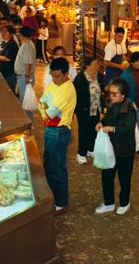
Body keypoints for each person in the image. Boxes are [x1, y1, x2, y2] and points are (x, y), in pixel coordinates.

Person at [39, 57, 77, 216]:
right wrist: (45, 112)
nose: (55, 79)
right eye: (53, 76)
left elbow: (48, 111)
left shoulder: (68, 89)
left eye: (58, 76)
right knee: (49, 166)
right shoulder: (54, 85)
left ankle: (61, 203)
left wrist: (45, 112)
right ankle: (53, 198)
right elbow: (41, 104)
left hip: (59, 132)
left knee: (58, 169)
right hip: (50, 130)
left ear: (67, 74)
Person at [95, 77, 136, 216]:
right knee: (107, 175)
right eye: (110, 93)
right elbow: (107, 118)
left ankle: (124, 203)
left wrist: (112, 129)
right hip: (111, 147)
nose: (111, 96)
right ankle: (109, 203)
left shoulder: (129, 108)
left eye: (114, 94)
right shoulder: (112, 105)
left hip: (125, 150)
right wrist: (101, 122)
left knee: (124, 178)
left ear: (123, 95)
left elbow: (128, 129)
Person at [73, 58, 103, 165]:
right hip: (84, 110)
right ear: (87, 66)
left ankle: (91, 149)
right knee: (83, 131)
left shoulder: (97, 76)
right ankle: (81, 153)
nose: (97, 66)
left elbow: (100, 91)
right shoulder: (80, 78)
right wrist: (77, 110)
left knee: (93, 130)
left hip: (95, 109)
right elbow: (75, 95)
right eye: (95, 64)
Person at [15, 27, 37, 121]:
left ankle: (28, 124)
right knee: (24, 101)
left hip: (25, 76)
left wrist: (27, 76)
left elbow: (28, 62)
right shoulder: (27, 44)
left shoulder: (27, 45)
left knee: (25, 103)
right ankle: (27, 123)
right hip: (23, 76)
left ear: (21, 34)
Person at [0, 25, 18, 93]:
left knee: (9, 92)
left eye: (5, 32)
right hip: (1, 72)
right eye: (2, 31)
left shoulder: (12, 44)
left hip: (8, 73)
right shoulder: (3, 43)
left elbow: (8, 58)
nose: (3, 33)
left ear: (11, 34)